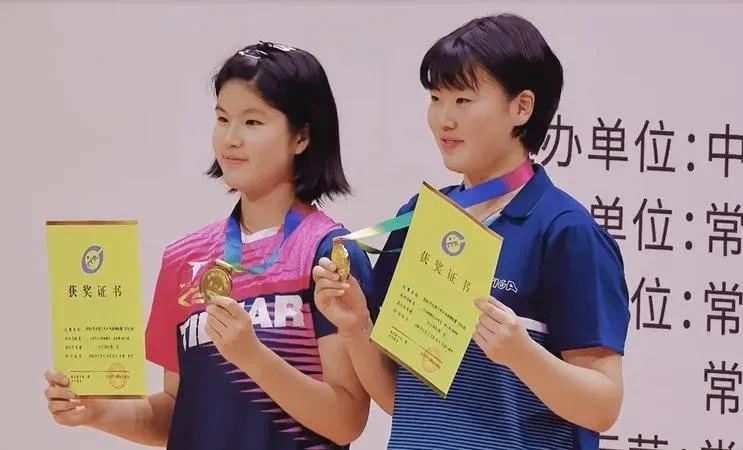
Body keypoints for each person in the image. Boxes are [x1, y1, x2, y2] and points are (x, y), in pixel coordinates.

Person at [313, 14, 630, 450]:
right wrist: (355, 327)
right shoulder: (420, 217)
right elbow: (402, 401)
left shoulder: (565, 231)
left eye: (463, 100)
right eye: (436, 98)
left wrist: (521, 353)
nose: (444, 119)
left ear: (522, 107)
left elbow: (603, 406)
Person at [44, 41, 373, 450]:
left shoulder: (329, 254)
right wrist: (97, 412)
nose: (230, 138)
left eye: (252, 122)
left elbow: (345, 421)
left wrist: (252, 357)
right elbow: (174, 411)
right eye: (222, 119)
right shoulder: (185, 258)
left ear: (301, 136)